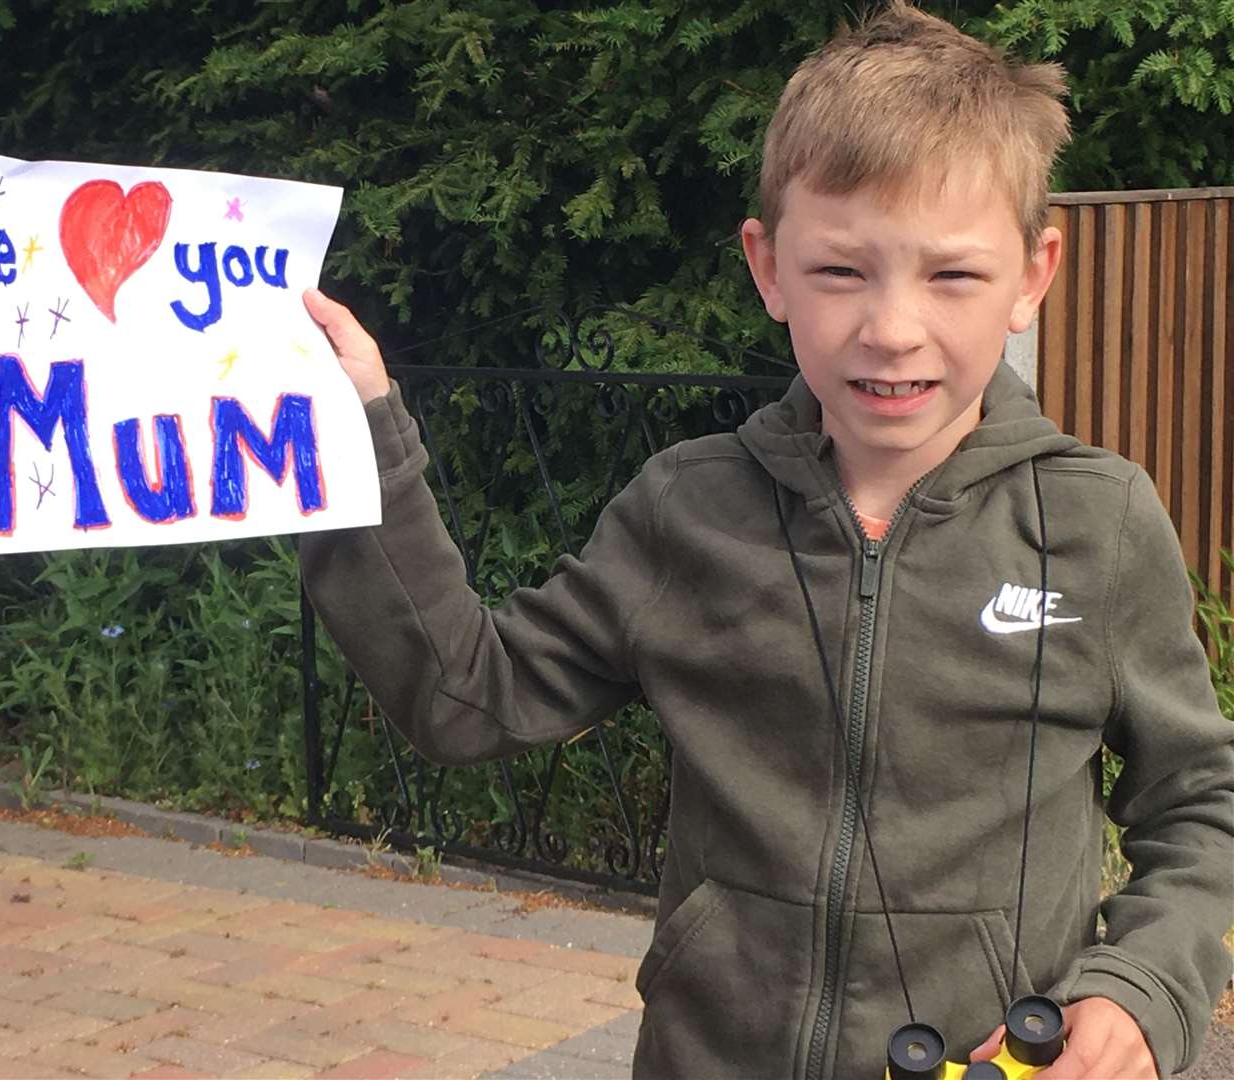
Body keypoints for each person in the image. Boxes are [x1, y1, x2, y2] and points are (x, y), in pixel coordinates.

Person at [296, 3, 1234, 1076]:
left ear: (1032, 274)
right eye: (841, 271)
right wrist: (347, 441)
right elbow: (467, 696)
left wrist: (1144, 983)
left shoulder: (1097, 523)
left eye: (952, 275)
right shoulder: (686, 509)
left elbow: (1201, 802)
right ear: (769, 266)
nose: (891, 326)